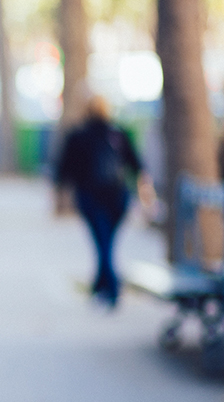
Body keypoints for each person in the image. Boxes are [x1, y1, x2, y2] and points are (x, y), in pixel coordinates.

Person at [55, 95, 154, 307]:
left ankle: (111, 289)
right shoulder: (118, 132)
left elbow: (64, 169)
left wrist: (60, 195)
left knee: (103, 243)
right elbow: (136, 165)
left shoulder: (78, 135)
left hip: (91, 198)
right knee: (106, 243)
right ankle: (100, 286)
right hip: (118, 197)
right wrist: (145, 192)